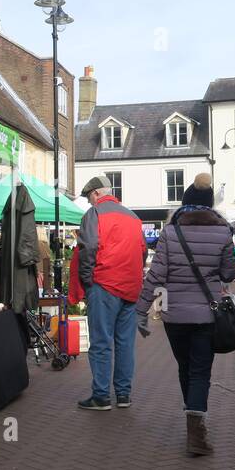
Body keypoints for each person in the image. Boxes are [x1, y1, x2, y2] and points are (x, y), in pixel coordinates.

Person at [135, 174, 235, 454]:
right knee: (200, 371)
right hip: (207, 314)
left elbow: (156, 275)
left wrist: (140, 310)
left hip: (175, 316)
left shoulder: (170, 232)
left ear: (185, 202)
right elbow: (229, 273)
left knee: (185, 367)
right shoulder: (223, 231)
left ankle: (193, 419)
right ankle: (196, 428)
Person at [77, 175, 147, 411]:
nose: (89, 202)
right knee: (125, 343)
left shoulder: (94, 214)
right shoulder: (133, 217)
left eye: (89, 198)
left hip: (104, 284)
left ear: (96, 193)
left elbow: (88, 249)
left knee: (100, 342)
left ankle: (101, 395)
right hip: (131, 286)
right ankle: (124, 394)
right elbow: (143, 251)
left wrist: (88, 283)